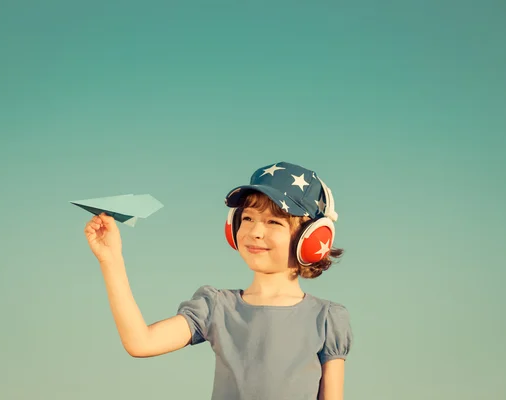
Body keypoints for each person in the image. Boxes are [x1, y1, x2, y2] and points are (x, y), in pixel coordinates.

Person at [84, 161, 353, 400]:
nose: (255, 232)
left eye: (274, 223)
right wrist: (111, 260)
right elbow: (140, 342)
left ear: (313, 240)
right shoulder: (215, 306)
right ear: (233, 225)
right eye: (247, 218)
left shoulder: (326, 319)